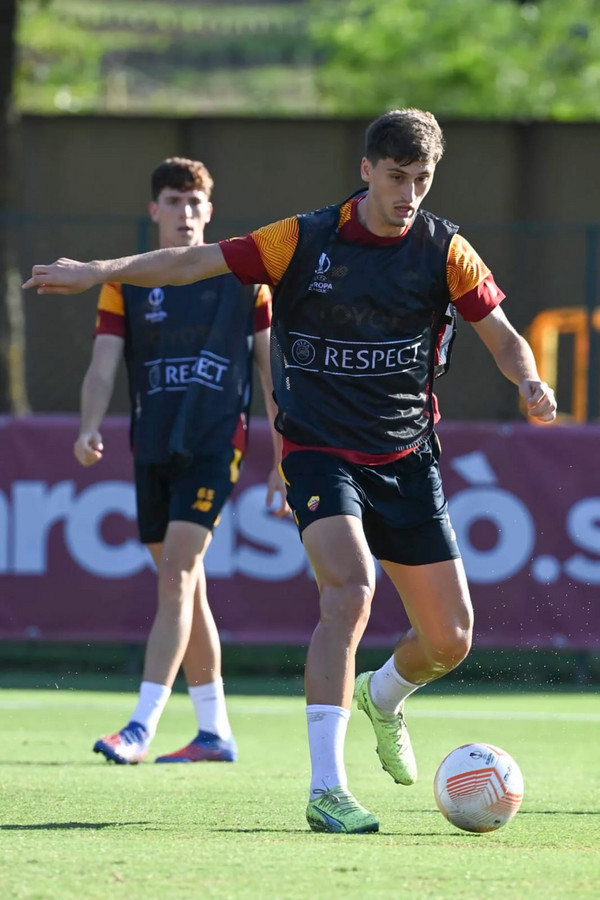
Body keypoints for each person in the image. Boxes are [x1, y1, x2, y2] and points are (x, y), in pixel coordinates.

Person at [25, 110, 556, 829]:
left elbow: (503, 335)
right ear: (366, 170)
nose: (408, 195)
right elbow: (191, 262)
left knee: (450, 640)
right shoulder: (303, 238)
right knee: (351, 588)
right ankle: (327, 789)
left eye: (422, 180)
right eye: (396, 177)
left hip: (406, 456)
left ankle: (383, 696)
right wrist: (99, 272)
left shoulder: (445, 250)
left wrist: (529, 380)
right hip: (318, 449)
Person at [72, 156, 288, 765]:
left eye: (195, 203)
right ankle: (214, 731)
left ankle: (140, 726)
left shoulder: (245, 280)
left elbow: (270, 373)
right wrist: (88, 425)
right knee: (185, 590)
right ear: (154, 210)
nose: (185, 213)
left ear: (209, 211)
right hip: (152, 445)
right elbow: (102, 364)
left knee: (177, 575)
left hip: (216, 444)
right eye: (174, 202)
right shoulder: (126, 281)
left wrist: (282, 457)